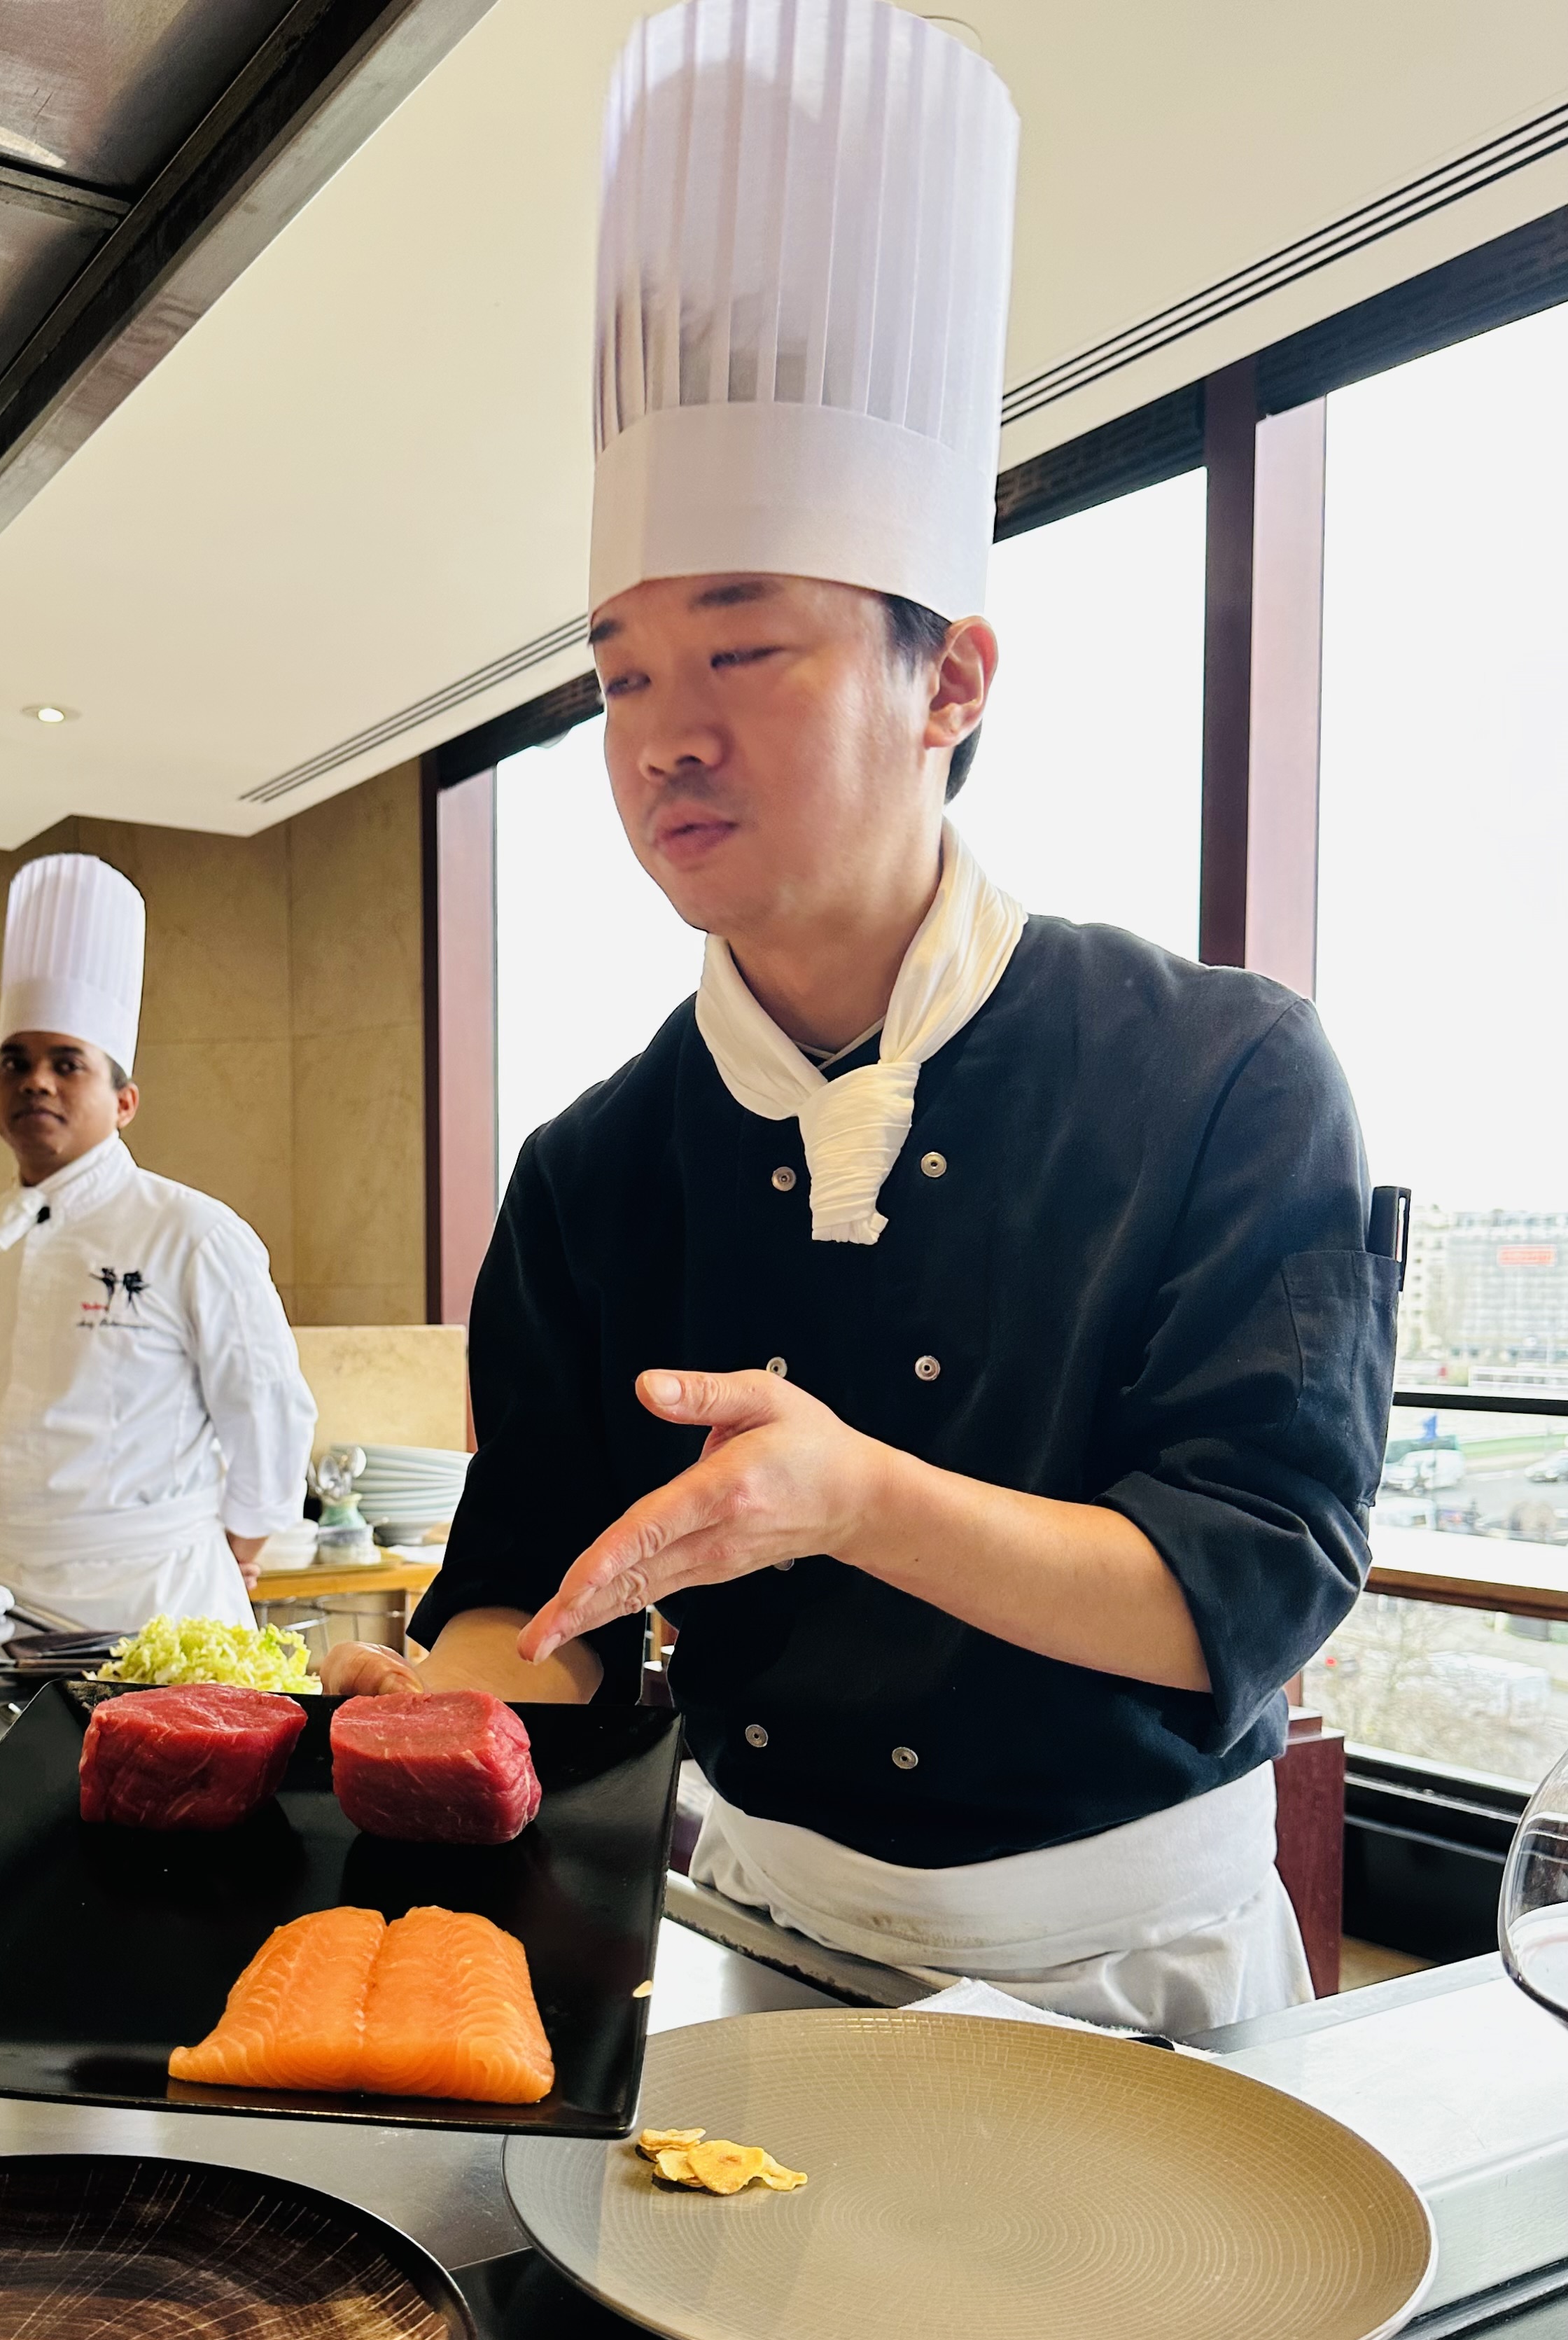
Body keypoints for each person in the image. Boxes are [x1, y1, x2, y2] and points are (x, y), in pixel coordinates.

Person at [326, 0, 1396, 2036]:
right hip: (757, 1947)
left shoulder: (1224, 1077)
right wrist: (449, 1700)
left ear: (951, 681)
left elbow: (1246, 1586)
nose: (665, 735)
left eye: (743, 649)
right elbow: (536, 1590)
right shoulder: (590, 1173)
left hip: (1137, 1973)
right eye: (623, 675)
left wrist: (851, 1497)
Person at [0, 851, 316, 1634]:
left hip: (156, 1595)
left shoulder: (193, 1232)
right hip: (4, 1592)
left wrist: (241, 1542)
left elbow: (269, 1407)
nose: (36, 1081)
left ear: (124, 1103)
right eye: (15, 1063)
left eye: (67, 1065)